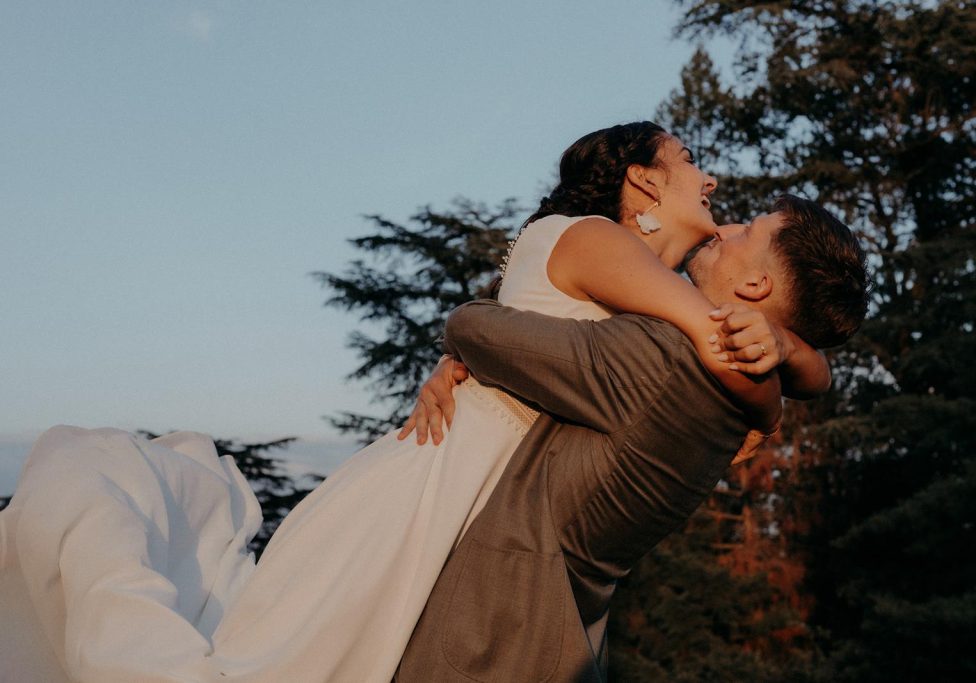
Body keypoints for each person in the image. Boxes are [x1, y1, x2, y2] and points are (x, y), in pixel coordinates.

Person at [0, 123, 833, 682]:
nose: (711, 178)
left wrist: (795, 358)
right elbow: (707, 332)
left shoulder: (624, 292)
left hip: (455, 491)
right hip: (424, 493)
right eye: (690, 161)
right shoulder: (591, 238)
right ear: (644, 184)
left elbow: (550, 344)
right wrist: (769, 390)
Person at [394, 194, 869, 681]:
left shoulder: (668, 357)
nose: (724, 228)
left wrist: (458, 355)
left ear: (755, 284)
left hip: (489, 641)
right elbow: (815, 376)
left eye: (747, 230)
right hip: (562, 637)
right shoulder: (736, 392)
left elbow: (476, 327)